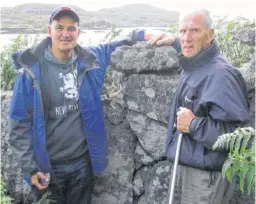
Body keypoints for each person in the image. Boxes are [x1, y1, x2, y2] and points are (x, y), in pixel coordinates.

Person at [8, 5, 180, 204]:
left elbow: (121, 43)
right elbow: (19, 124)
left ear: (78, 32)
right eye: (59, 27)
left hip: (82, 164)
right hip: (47, 167)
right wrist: (30, 167)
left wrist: (152, 35)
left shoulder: (90, 60)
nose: (66, 34)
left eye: (71, 28)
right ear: (49, 31)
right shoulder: (31, 71)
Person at [155, 9, 250, 204]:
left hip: (206, 178)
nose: (186, 38)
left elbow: (237, 135)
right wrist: (175, 42)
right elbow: (193, 54)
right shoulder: (197, 64)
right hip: (192, 166)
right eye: (183, 31)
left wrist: (193, 125)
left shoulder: (221, 75)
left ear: (210, 35)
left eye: (195, 31)